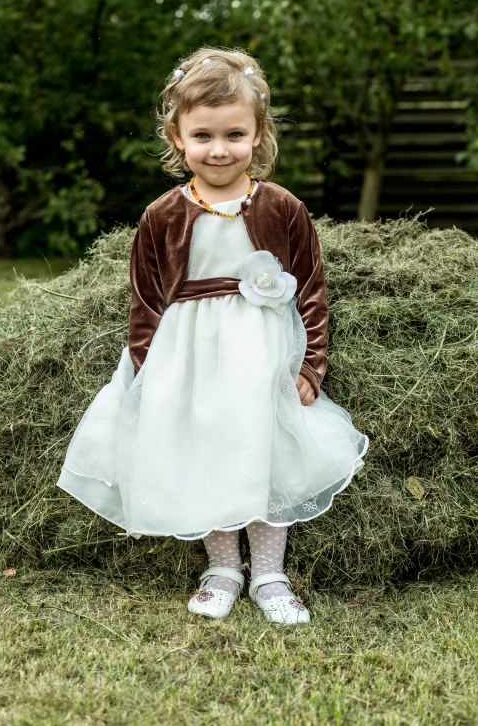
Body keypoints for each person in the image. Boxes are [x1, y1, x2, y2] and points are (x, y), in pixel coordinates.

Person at [58, 48, 368, 625]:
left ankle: (270, 574)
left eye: (234, 134)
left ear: (258, 134)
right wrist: (147, 370)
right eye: (203, 135)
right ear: (177, 137)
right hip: (190, 357)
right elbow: (147, 299)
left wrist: (310, 369)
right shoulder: (162, 215)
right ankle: (222, 568)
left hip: (263, 355)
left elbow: (311, 292)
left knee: (266, 456)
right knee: (209, 455)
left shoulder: (282, 207)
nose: (219, 149)